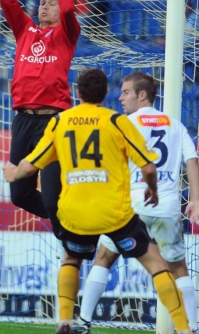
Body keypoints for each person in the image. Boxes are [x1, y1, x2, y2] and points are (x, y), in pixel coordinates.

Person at [3, 68, 193, 334]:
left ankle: (68, 321)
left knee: (72, 259)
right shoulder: (117, 122)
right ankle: (185, 329)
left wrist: (14, 173)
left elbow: (32, 163)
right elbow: (150, 167)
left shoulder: (60, 121)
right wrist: (153, 189)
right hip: (115, 213)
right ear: (106, 93)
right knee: (159, 264)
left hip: (74, 212)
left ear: (77, 93)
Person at [73, 71, 199, 334]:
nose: (120, 97)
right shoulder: (175, 125)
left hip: (132, 207)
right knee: (178, 268)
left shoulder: (123, 124)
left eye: (126, 92)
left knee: (104, 258)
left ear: (143, 95)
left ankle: (83, 322)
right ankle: (193, 328)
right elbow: (192, 161)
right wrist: (196, 198)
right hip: (166, 208)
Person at [0, 0, 81, 240]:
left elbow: (69, 7)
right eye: (42, 2)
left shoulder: (67, 33)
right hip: (23, 120)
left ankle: (70, 237)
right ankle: (71, 220)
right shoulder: (25, 30)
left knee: (49, 196)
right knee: (19, 195)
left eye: (51, 2)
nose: (43, 5)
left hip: (52, 122)